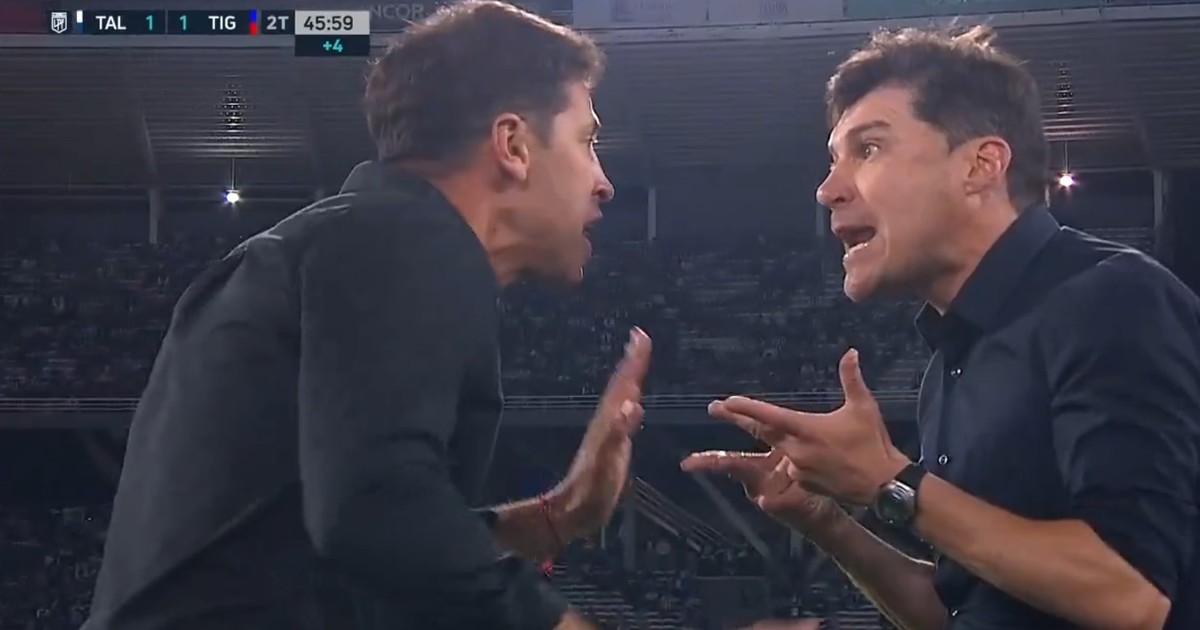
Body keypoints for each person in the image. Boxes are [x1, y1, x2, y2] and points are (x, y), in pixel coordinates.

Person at [86, 2, 647, 629]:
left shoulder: (357, 240)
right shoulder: (405, 240)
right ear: (512, 144)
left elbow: (350, 558)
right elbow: (375, 512)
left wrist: (558, 519)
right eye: (586, 141)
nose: (603, 182)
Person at [685, 25, 1200, 630]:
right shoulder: (950, 363)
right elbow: (962, 609)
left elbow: (1132, 595)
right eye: (833, 160)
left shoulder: (1111, 298)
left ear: (981, 166)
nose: (827, 191)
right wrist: (823, 521)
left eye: (868, 149)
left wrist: (890, 482)